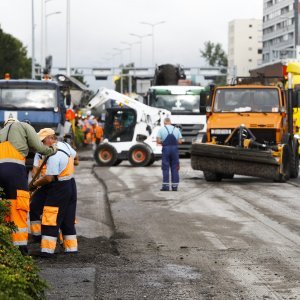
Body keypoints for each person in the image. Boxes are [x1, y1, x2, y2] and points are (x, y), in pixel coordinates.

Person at [0, 118, 56, 255]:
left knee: (3, 208)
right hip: (15, 172)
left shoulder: (1, 132)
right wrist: (52, 150)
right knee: (19, 207)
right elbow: (38, 147)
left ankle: (5, 247)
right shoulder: (24, 126)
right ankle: (20, 250)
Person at [30, 128, 78, 257]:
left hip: (58, 186)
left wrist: (34, 185)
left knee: (50, 217)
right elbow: (76, 157)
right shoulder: (65, 146)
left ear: (50, 139)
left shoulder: (53, 155)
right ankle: (71, 249)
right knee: (68, 217)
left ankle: (47, 251)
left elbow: (49, 178)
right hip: (70, 185)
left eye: (42, 141)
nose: (39, 144)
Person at [156, 117, 183, 191]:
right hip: (174, 150)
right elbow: (180, 141)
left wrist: (164, 142)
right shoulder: (176, 129)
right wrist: (173, 143)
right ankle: (174, 187)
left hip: (166, 149)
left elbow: (158, 141)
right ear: (170, 122)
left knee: (165, 167)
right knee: (175, 167)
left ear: (164, 123)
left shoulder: (161, 129)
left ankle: (166, 187)